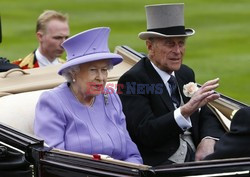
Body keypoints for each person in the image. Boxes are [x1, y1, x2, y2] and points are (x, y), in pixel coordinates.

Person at [118, 3, 225, 166]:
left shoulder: (185, 73)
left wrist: (207, 139)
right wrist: (185, 111)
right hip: (163, 164)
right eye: (170, 44)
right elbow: (145, 133)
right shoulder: (133, 80)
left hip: (197, 157)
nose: (177, 51)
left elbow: (206, 113)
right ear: (150, 46)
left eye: (181, 43)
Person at [34, 27, 143, 164]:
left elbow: (132, 155)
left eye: (104, 70)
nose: (101, 78)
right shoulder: (53, 102)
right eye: (93, 70)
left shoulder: (111, 97)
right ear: (73, 72)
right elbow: (53, 161)